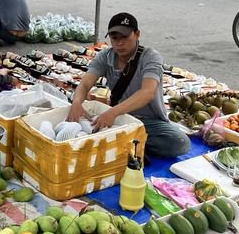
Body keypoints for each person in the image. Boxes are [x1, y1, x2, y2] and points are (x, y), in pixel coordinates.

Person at [67, 12, 191, 159]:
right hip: (120, 118)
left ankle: (124, 146)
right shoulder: (105, 56)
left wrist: (112, 112)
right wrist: (76, 103)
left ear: (137, 34)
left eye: (125, 37)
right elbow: (85, 83)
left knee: (180, 143)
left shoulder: (150, 57)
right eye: (115, 38)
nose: (119, 43)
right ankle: (128, 146)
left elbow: (147, 92)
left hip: (148, 121)